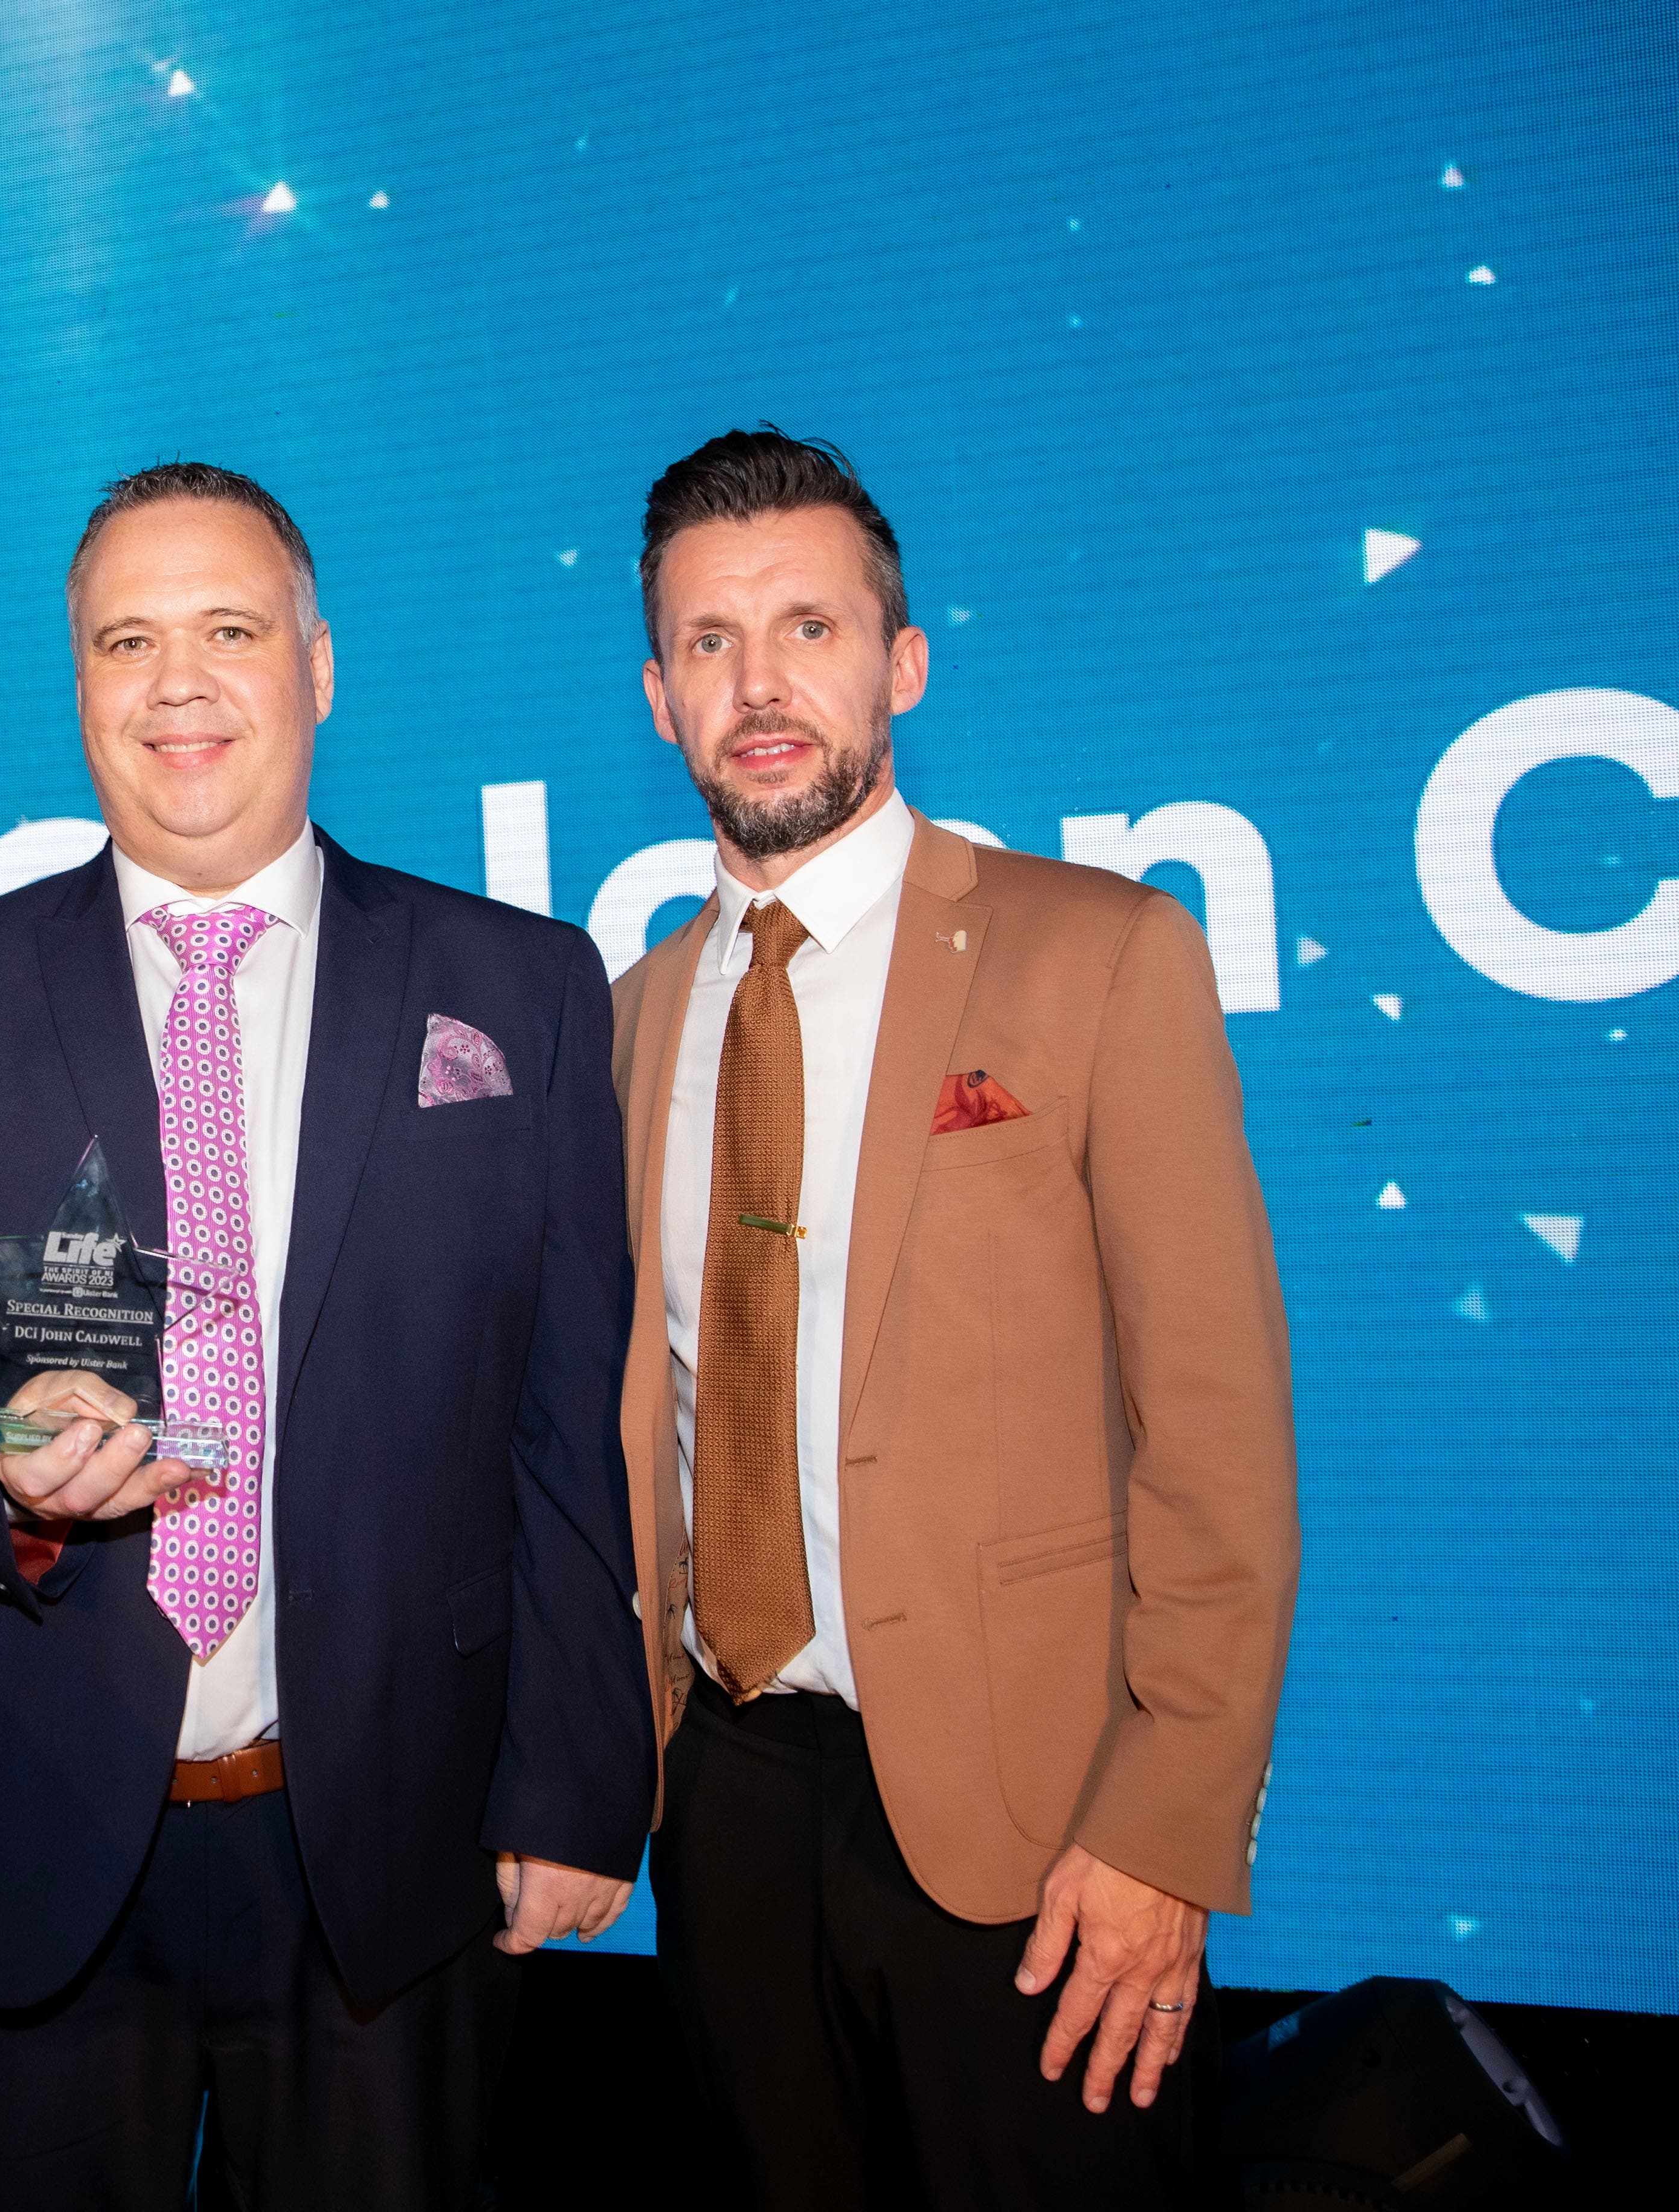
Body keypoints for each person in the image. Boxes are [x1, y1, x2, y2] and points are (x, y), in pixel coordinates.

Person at [0, 463, 652, 2211]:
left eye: (229, 631)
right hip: (19, 1833)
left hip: (397, 1845)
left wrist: (579, 1777)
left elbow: (566, 1420)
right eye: (128, 642)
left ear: (318, 664)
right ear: (78, 684)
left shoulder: (519, 988)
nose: (178, 684)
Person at [611, 428, 1300, 2207]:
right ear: (658, 695)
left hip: (1040, 1824)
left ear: (901, 662)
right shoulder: (620, 1024)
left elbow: (1214, 1435)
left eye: (810, 629)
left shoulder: (1100, 955)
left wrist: (1164, 1833)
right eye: (708, 642)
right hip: (729, 1801)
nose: (761, 685)